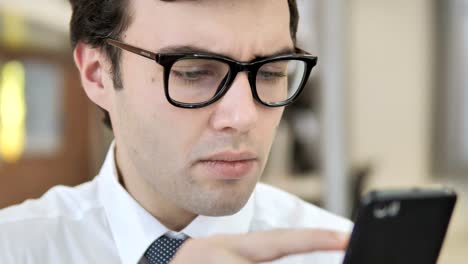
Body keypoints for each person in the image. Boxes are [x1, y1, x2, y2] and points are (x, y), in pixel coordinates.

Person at [0, 0, 352, 263]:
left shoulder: (343, 254)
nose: (244, 117)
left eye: (271, 72)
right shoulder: (15, 249)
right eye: (194, 72)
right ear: (97, 74)